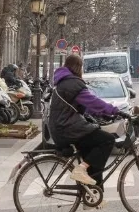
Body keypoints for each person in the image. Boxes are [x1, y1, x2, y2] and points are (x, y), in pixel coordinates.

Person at [47, 54, 121, 196]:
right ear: (78, 67)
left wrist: (103, 114)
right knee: (107, 140)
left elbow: (83, 107)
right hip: (67, 128)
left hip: (62, 127)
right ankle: (81, 170)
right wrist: (113, 110)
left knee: (92, 153)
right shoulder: (72, 83)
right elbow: (93, 102)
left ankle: (92, 195)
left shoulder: (63, 82)